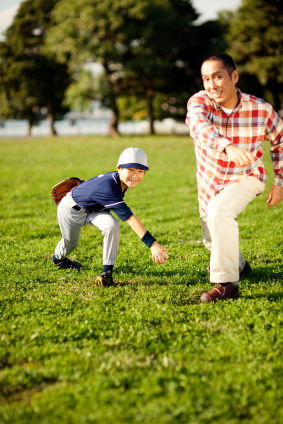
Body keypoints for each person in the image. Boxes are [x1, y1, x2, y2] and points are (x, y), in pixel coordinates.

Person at [186, 52, 283, 303]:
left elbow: (280, 141)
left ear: (234, 76)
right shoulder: (200, 102)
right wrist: (227, 146)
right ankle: (239, 264)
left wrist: (279, 182)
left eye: (217, 77)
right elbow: (198, 126)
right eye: (206, 79)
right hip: (209, 182)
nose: (211, 85)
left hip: (246, 177)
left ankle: (227, 284)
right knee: (212, 239)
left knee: (220, 213)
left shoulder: (260, 109)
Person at [52, 147, 168, 287]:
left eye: (140, 171)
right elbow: (130, 218)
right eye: (130, 169)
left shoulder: (119, 181)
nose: (135, 175)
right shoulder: (110, 187)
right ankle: (58, 260)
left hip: (94, 210)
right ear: (119, 168)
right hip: (71, 211)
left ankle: (106, 274)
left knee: (112, 225)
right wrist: (152, 244)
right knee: (70, 244)